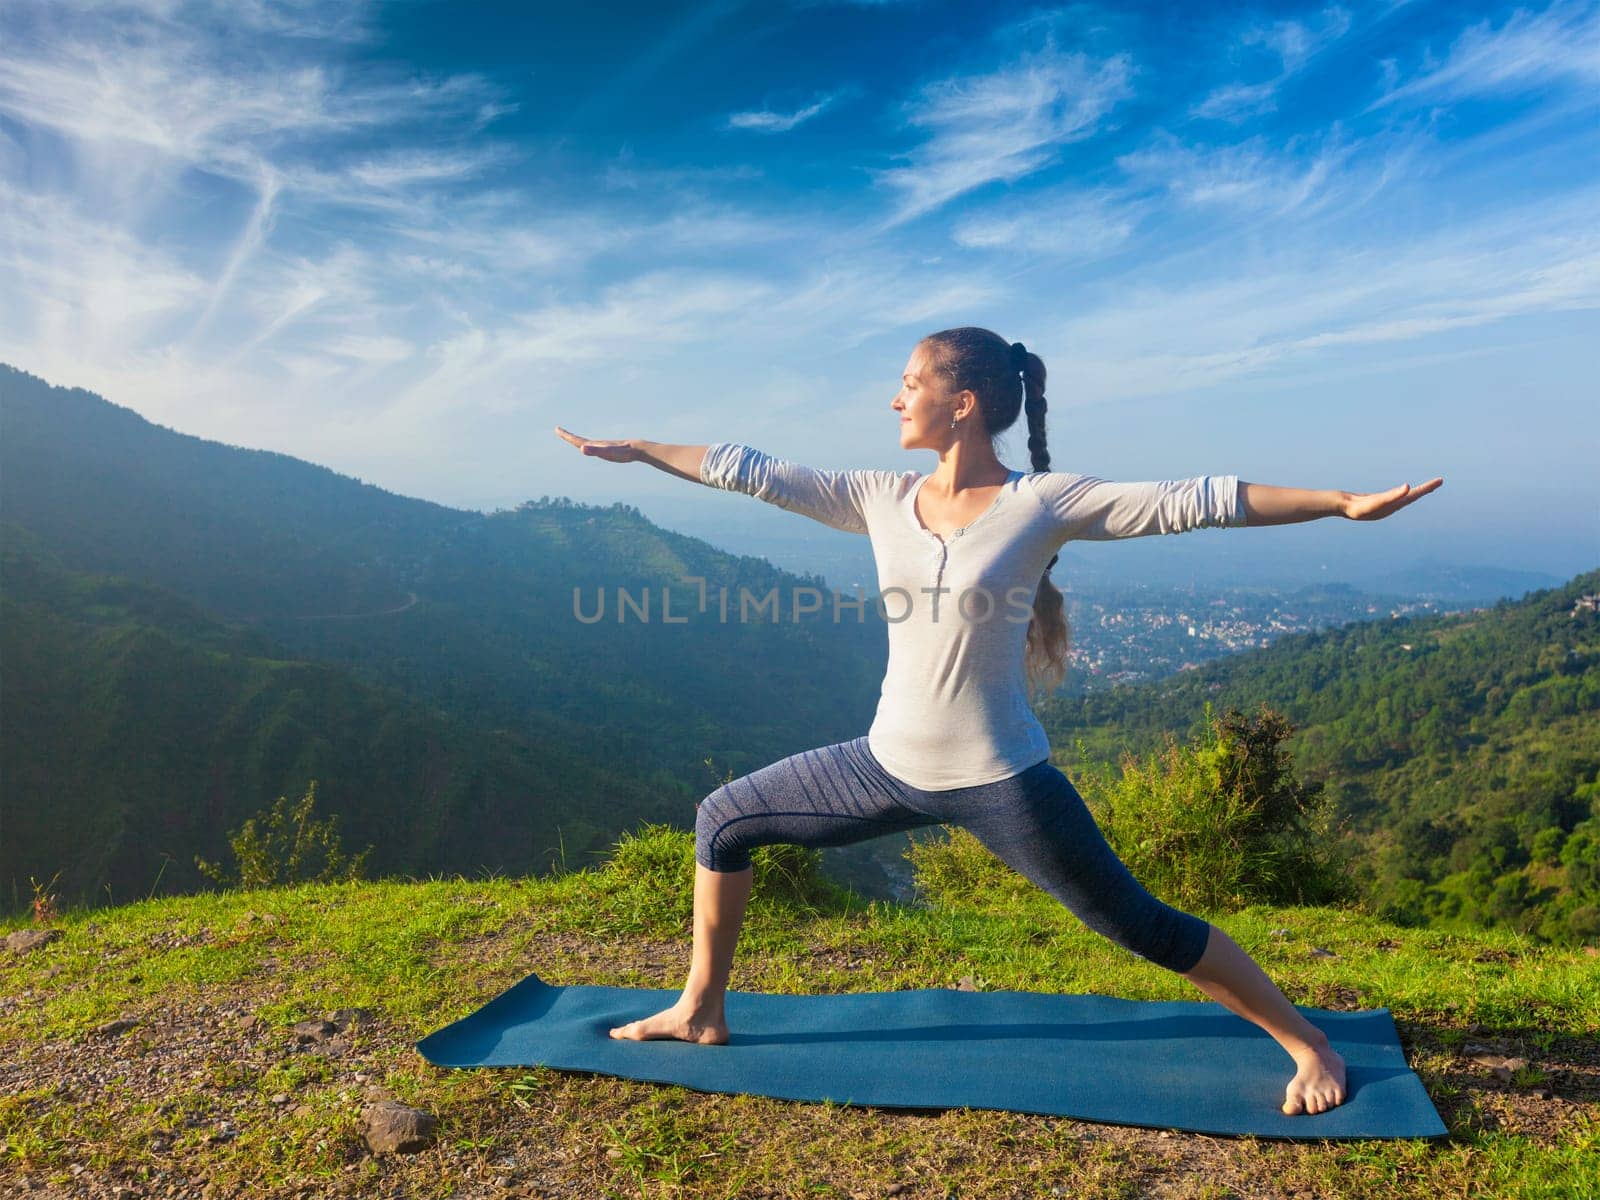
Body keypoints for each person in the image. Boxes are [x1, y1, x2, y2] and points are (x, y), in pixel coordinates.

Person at [554, 326, 1442, 1117]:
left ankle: (1308, 1043)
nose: (894, 397)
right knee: (723, 819)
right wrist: (639, 449)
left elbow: (1196, 499)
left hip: (1001, 781)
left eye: (910, 382)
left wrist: (1340, 502)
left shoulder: (1041, 506)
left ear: (962, 403)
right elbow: (751, 470)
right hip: (883, 764)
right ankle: (702, 1007)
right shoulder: (876, 495)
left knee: (1143, 928)